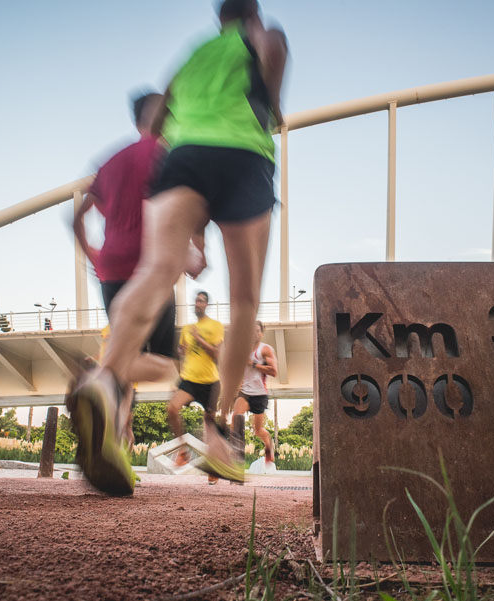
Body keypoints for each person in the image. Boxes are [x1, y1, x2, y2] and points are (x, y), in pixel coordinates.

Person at [92, 0, 288, 488]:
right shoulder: (257, 36)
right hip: (244, 155)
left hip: (183, 158)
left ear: (218, 17)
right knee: (244, 299)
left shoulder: (193, 55)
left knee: (156, 271)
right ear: (252, 13)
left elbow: (158, 114)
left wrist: (194, 231)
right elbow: (274, 48)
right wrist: (273, 104)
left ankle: (106, 378)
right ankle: (220, 426)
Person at [68, 92, 186, 495]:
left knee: (123, 355)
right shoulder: (165, 155)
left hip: (111, 270)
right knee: (167, 367)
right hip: (150, 268)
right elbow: (177, 207)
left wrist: (94, 255)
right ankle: (99, 378)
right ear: (164, 117)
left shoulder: (110, 161)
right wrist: (192, 248)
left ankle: (110, 446)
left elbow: (75, 217)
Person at [169, 291, 223, 483]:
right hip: (189, 379)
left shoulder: (215, 326)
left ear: (207, 304)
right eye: (195, 301)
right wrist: (180, 352)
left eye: (201, 301)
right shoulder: (187, 329)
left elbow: (217, 354)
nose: (197, 304)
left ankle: (213, 467)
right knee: (172, 409)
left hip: (210, 381)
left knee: (209, 425)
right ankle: (183, 451)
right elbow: (183, 352)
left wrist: (200, 339)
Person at [232, 321, 278, 474]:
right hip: (245, 392)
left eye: (257, 331)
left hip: (260, 394)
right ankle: (237, 459)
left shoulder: (265, 350)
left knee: (258, 430)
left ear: (261, 333)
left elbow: (274, 371)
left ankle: (268, 444)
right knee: (236, 417)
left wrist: (254, 364)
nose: (254, 334)